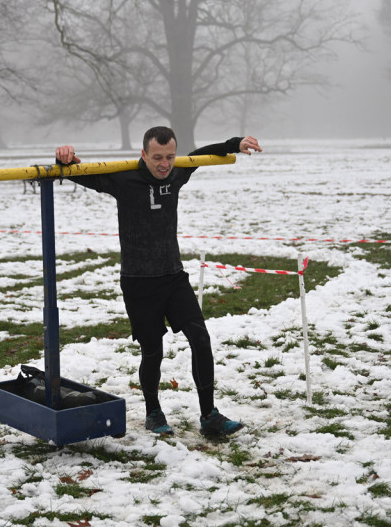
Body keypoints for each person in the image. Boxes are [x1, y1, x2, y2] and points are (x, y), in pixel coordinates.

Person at [55, 126, 263, 438]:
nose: (164, 163)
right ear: (144, 155)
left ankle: (209, 416)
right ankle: (153, 413)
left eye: (169, 156)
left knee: (201, 339)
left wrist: (235, 143)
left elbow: (203, 155)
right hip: (139, 282)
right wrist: (65, 158)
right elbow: (79, 172)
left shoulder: (178, 172)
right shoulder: (122, 177)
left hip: (173, 276)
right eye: (157, 158)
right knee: (153, 351)